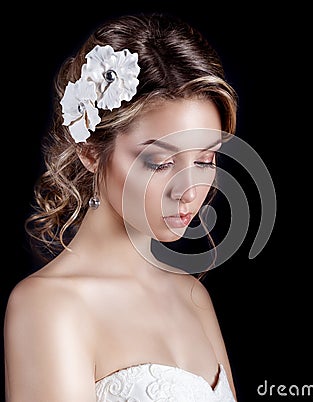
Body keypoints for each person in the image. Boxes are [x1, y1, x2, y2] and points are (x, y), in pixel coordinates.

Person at [4, 12, 238, 402]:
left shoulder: (193, 298)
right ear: (91, 152)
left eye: (205, 160)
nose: (189, 191)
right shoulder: (51, 306)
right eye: (161, 163)